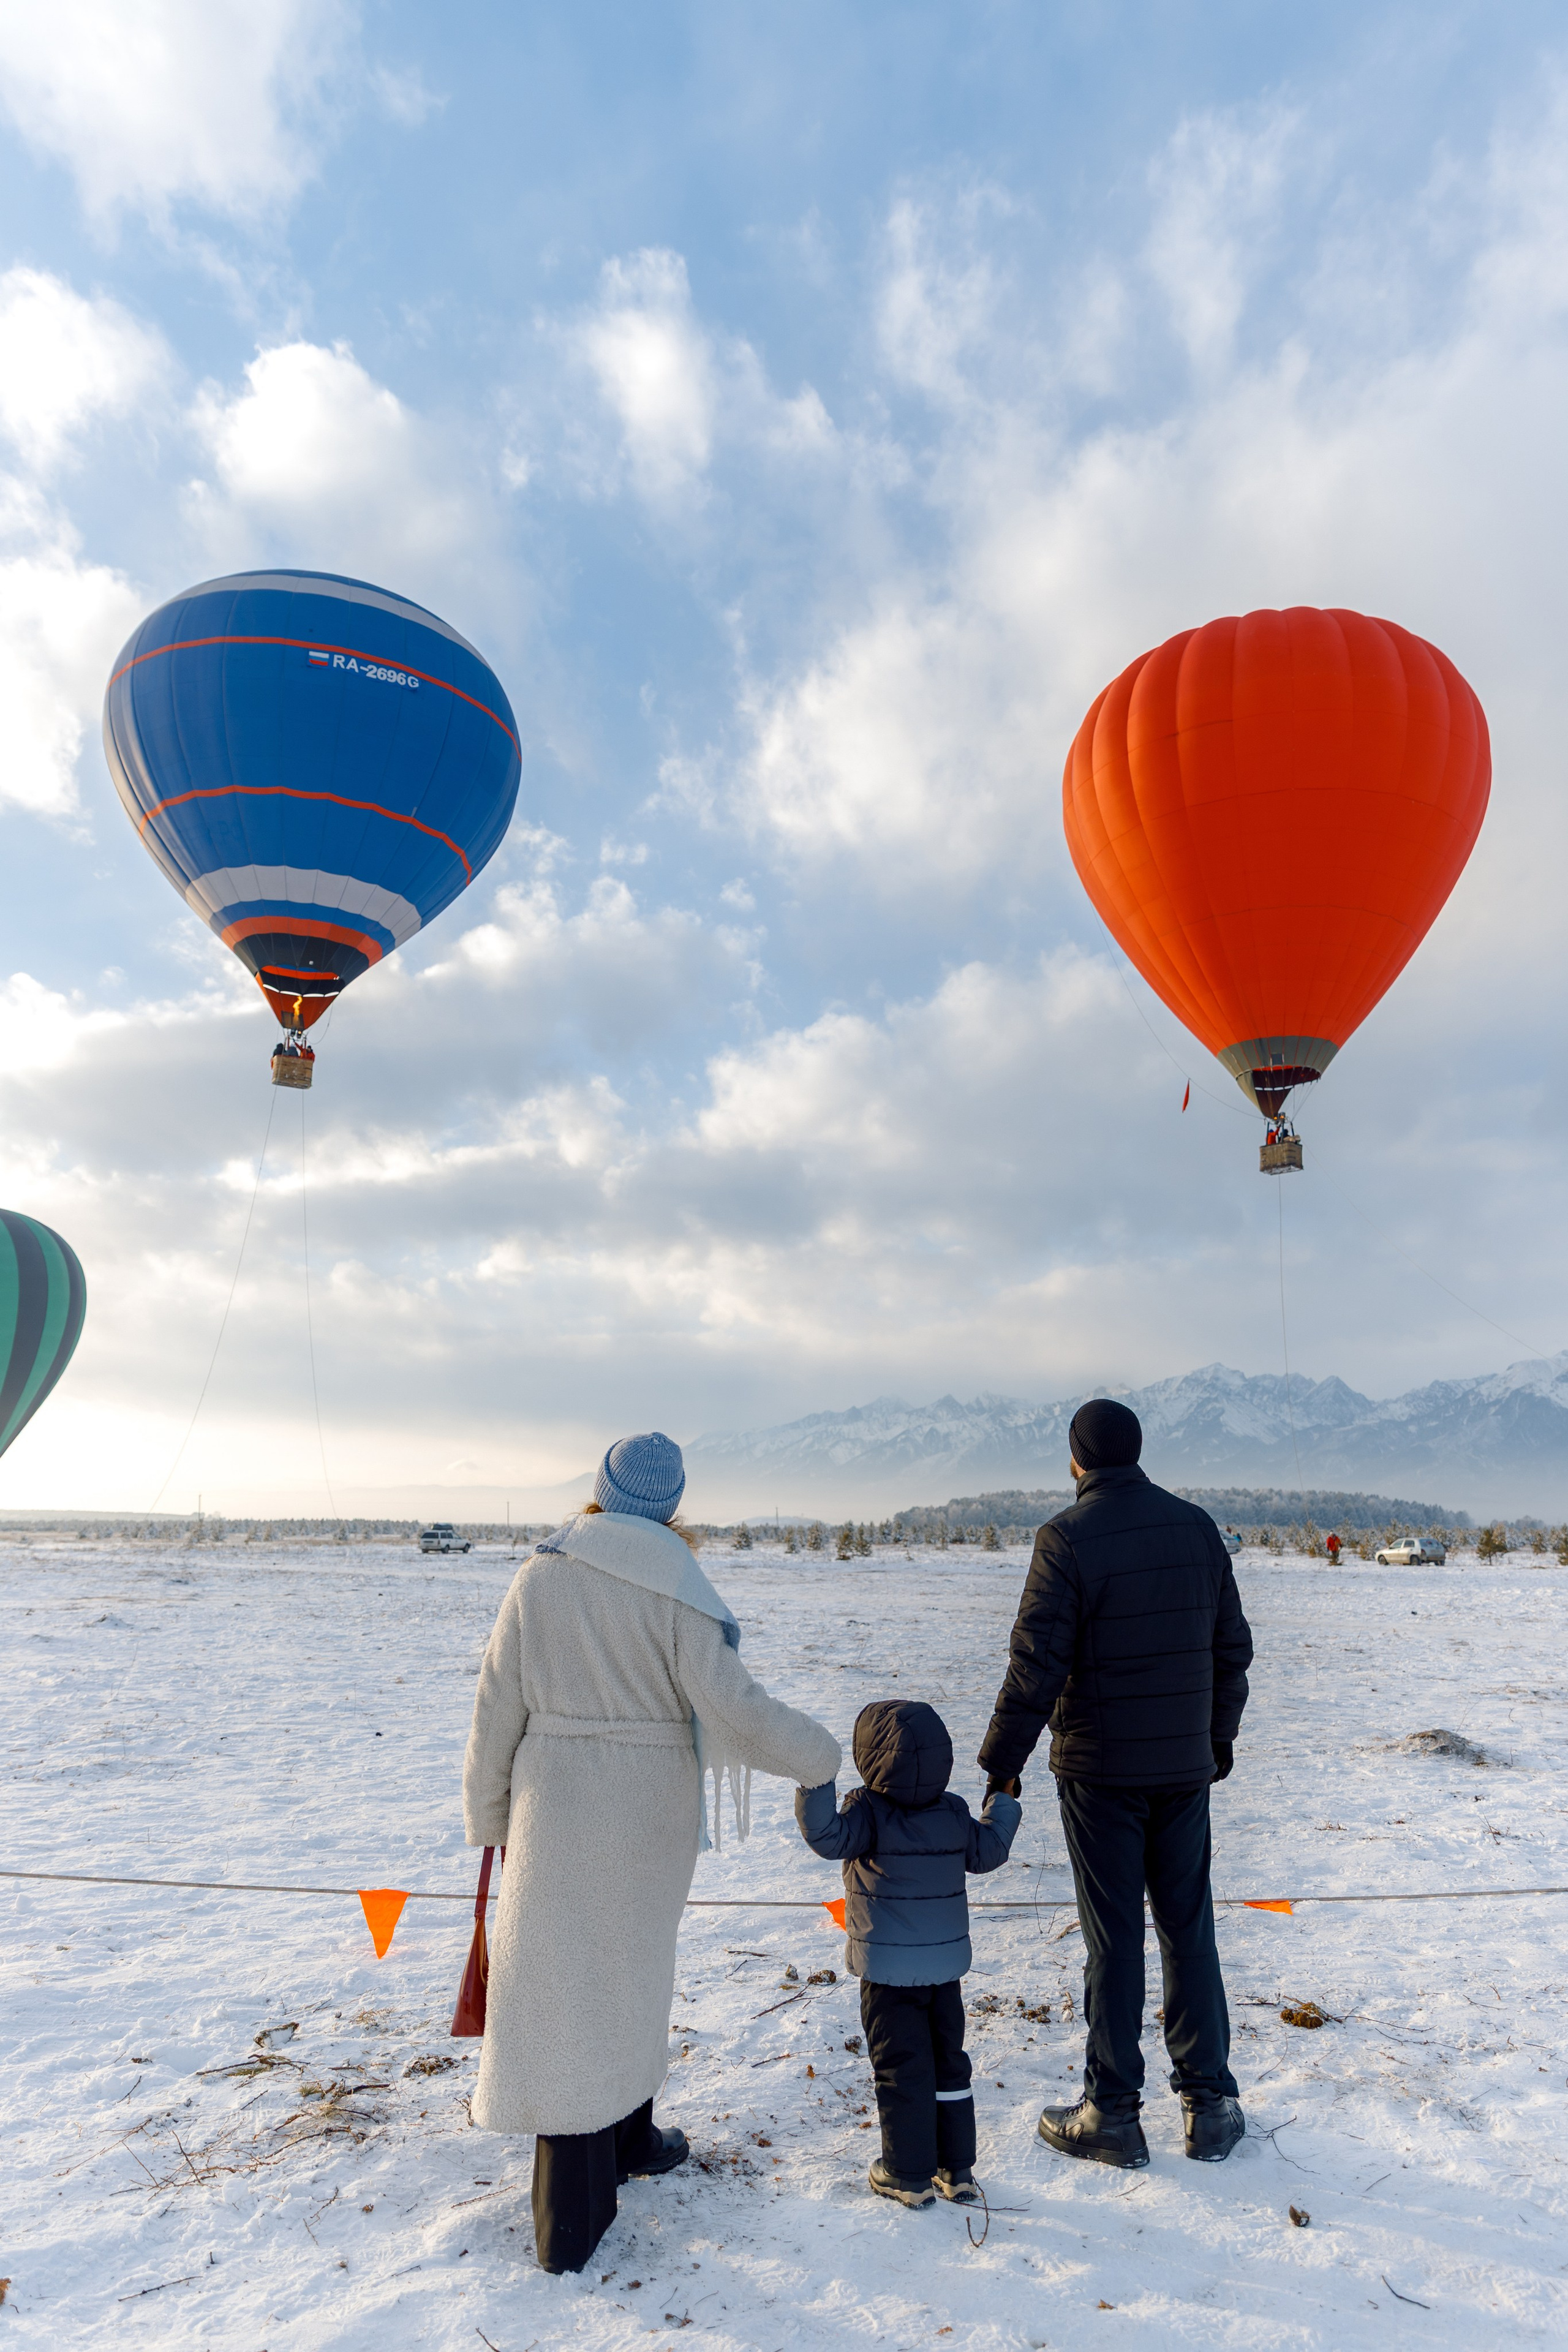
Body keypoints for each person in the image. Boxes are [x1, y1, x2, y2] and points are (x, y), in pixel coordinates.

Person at [463, 1431, 840, 2273]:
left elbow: (497, 1701)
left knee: (567, 1979)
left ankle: (624, 2141)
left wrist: (491, 1814)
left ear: (599, 1489)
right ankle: (574, 2209)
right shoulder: (676, 1584)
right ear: (671, 1504)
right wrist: (818, 1755)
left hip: (553, 1800)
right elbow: (733, 1706)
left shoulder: (542, 1572)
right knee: (622, 1973)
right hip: (643, 1812)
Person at [978, 1398, 1253, 2169]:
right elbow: (1232, 1649)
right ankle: (1209, 2105)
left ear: (1076, 1461)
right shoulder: (1197, 1527)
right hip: (1181, 1770)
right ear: (1136, 1453)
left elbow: (1035, 1665)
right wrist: (1214, 1740)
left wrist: (1003, 1764)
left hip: (1100, 1774)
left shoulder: (1065, 1538)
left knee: (1113, 1940)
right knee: (1186, 1927)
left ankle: (1112, 2111)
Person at [796, 1698, 1021, 2208]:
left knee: (901, 2068)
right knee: (947, 2063)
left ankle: (907, 2172)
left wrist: (816, 1784)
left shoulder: (866, 1812)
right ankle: (957, 2168)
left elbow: (827, 1838)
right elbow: (990, 1852)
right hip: (944, 1974)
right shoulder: (954, 1812)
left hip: (888, 1975)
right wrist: (1002, 1800)